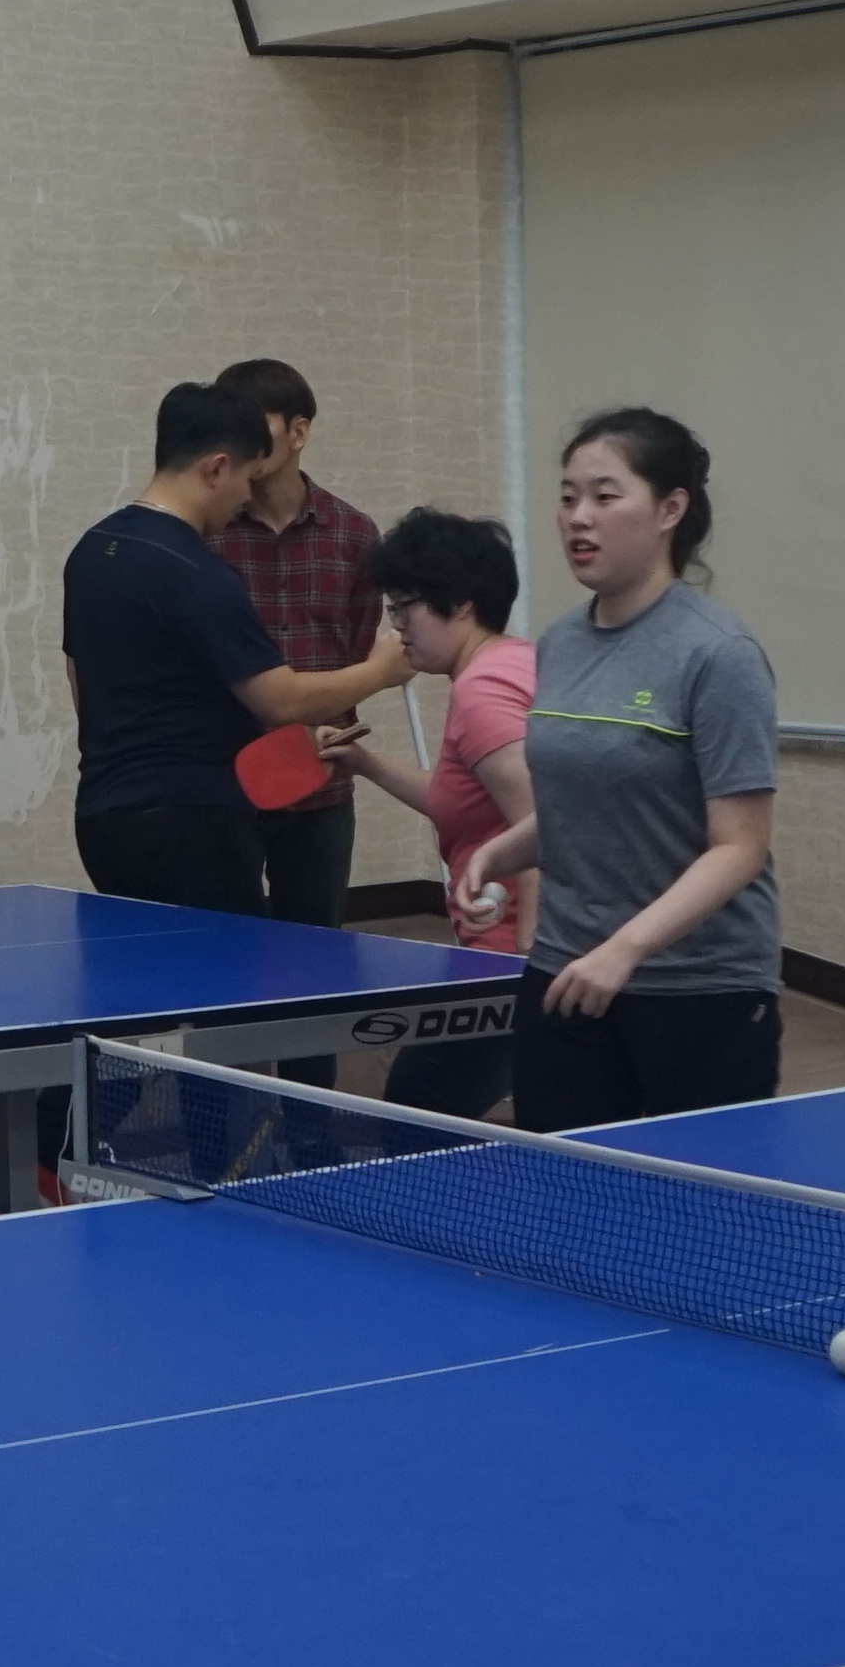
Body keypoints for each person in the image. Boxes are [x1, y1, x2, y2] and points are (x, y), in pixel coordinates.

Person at [450, 409, 782, 1128]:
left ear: (670, 510)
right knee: (564, 1184)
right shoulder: (560, 643)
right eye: (568, 497)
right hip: (567, 970)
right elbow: (583, 800)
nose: (579, 517)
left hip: (698, 987)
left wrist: (625, 950)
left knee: (689, 1193)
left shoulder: (718, 654)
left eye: (605, 496)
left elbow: (740, 846)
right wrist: (497, 854)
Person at [64, 378, 409, 921]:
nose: (248, 494)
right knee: (220, 972)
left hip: (104, 816)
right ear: (217, 468)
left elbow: (84, 679)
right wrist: (382, 671)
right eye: (247, 477)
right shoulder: (197, 571)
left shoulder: (94, 548)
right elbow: (282, 700)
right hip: (192, 826)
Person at [321, 506, 534, 1114]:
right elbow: (458, 799)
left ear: (461, 604)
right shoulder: (517, 660)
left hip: (507, 961)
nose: (395, 629)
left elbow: (546, 830)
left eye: (404, 608)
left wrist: (529, 964)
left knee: (416, 1108)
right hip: (514, 955)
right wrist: (366, 762)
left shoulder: (482, 693)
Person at [202, 358, 385, 928]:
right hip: (221, 781)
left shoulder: (355, 534)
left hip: (321, 784)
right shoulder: (203, 534)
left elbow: (357, 655)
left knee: (316, 951)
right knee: (222, 949)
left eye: (253, 423)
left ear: (299, 432)